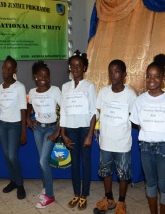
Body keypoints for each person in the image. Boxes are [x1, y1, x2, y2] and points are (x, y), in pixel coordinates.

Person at [129, 54, 165, 214]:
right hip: (145, 148)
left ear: (163, 78)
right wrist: (146, 133)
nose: (152, 80)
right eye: (149, 76)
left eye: (156, 76)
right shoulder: (140, 101)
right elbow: (136, 121)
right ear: (146, 78)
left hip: (164, 148)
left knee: (164, 185)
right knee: (150, 183)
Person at [93, 60, 137, 214]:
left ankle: (121, 202)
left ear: (124, 74)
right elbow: (98, 114)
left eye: (117, 71)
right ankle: (109, 198)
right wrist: (96, 130)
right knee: (106, 171)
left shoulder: (130, 94)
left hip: (122, 142)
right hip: (106, 141)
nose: (113, 74)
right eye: (111, 71)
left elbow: (135, 117)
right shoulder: (103, 92)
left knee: (123, 174)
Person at [60, 50, 98, 211]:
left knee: (85, 162)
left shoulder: (89, 87)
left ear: (84, 68)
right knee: (74, 163)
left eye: (79, 65)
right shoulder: (65, 86)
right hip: (71, 129)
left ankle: (84, 195)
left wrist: (90, 134)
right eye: (73, 65)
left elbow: (93, 112)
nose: (75, 68)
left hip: (84, 129)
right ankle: (76, 193)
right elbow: (63, 111)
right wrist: (62, 133)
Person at [26, 61, 62, 208]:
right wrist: (28, 118)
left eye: (46, 75)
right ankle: (46, 187)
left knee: (42, 161)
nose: (44, 78)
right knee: (43, 162)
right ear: (35, 76)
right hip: (38, 129)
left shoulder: (55, 90)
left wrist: (58, 131)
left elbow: (65, 109)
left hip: (51, 129)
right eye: (40, 75)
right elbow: (28, 106)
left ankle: (50, 196)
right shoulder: (32, 92)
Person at [0, 56, 27, 200]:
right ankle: (12, 181)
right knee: (6, 155)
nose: (6, 71)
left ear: (14, 70)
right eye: (4, 67)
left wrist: (23, 132)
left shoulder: (19, 87)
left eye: (10, 68)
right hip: (1, 123)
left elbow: (23, 109)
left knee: (12, 155)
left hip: (14, 125)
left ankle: (20, 185)